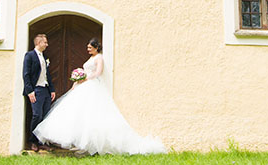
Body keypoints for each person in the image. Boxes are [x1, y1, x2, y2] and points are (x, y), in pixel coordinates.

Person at [34, 38, 165, 155]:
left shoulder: (99, 58)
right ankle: (81, 143)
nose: (88, 49)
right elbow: (86, 71)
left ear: (96, 48)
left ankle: (90, 144)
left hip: (92, 86)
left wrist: (84, 79)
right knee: (79, 114)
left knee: (93, 114)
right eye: (87, 47)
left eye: (90, 47)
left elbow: (98, 72)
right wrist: (76, 82)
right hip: (84, 86)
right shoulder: (90, 58)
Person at [22, 33, 56, 151]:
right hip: (35, 90)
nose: (47, 44)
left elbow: (47, 75)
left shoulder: (44, 56)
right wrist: (30, 91)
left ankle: (42, 141)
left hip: (45, 90)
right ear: (38, 43)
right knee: (37, 115)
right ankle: (33, 141)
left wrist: (51, 90)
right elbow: (26, 74)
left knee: (45, 116)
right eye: (45, 42)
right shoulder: (30, 55)